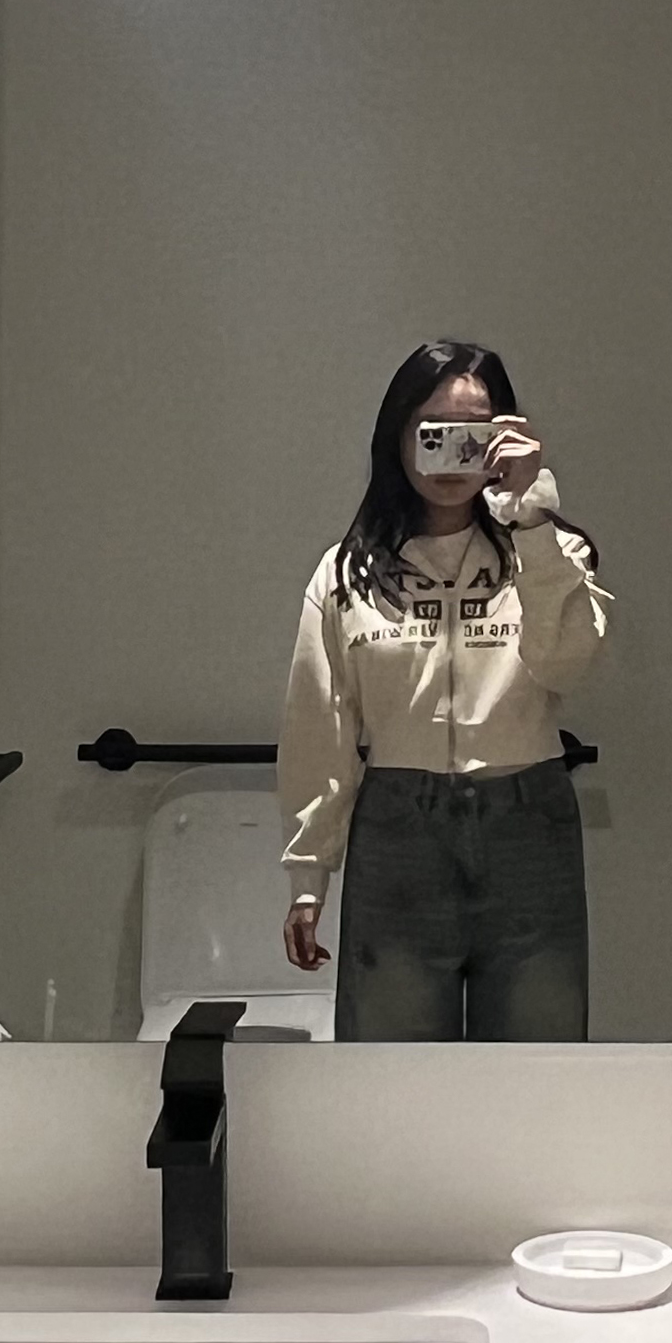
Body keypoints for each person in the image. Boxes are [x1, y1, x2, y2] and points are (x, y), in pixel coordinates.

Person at [277, 340, 611, 1041]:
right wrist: (309, 876)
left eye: (474, 432)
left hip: (528, 824)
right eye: (432, 430)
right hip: (398, 829)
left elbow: (567, 666)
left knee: (537, 1061)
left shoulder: (549, 554)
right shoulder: (348, 572)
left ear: (506, 436)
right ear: (397, 436)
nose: (454, 454)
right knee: (390, 1066)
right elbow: (319, 729)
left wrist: (531, 522)